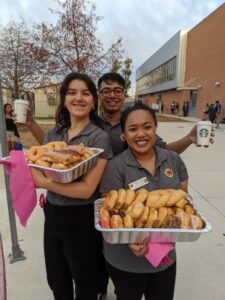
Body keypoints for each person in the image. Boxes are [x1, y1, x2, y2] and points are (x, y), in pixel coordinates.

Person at [30, 72, 112, 300]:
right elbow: (38, 163)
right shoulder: (53, 134)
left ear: (93, 101)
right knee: (57, 278)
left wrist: (44, 182)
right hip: (53, 213)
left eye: (85, 93)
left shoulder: (98, 139)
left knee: (85, 281)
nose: (79, 98)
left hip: (82, 217)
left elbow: (87, 189)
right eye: (72, 92)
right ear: (64, 98)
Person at [99, 101, 189, 300]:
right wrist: (131, 238)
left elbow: (182, 205)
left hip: (165, 258)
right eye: (133, 129)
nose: (141, 134)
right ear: (124, 135)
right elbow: (110, 212)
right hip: (126, 261)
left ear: (156, 129)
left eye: (147, 127)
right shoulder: (116, 167)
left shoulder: (173, 159)